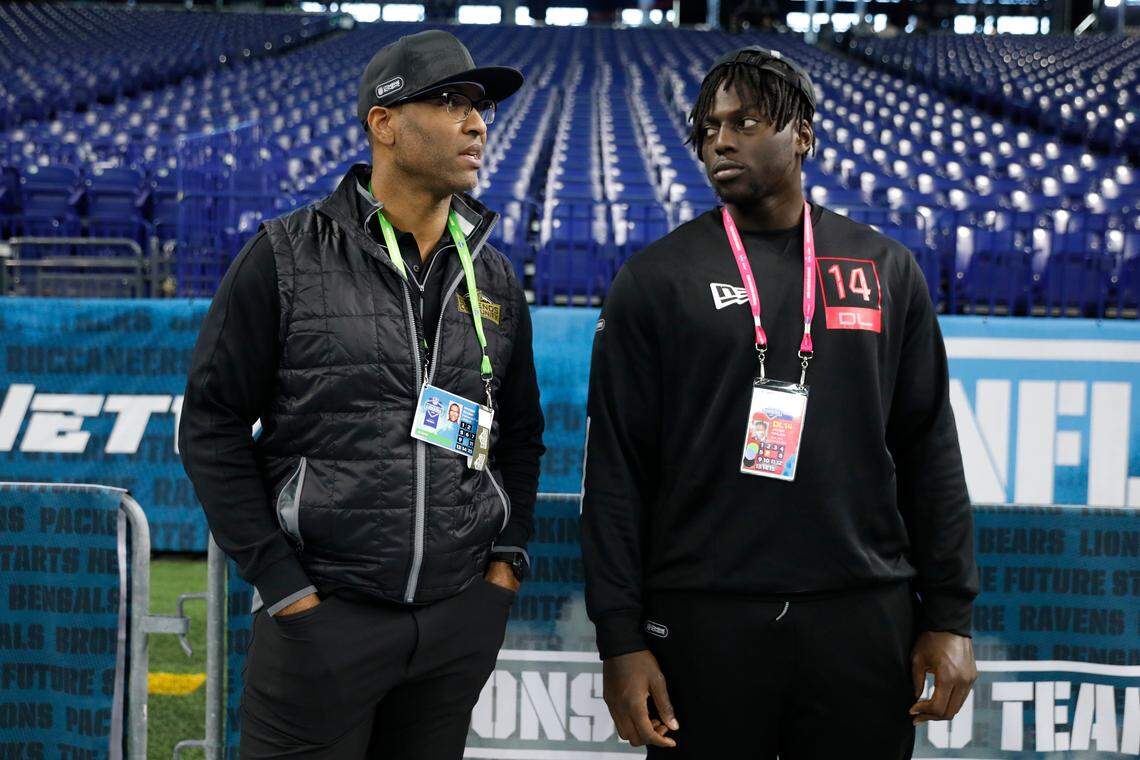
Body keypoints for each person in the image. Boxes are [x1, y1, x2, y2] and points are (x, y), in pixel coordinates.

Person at [580, 46, 977, 758]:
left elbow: (929, 452)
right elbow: (616, 473)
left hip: (862, 614)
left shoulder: (884, 268)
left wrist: (950, 617)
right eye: (707, 128)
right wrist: (619, 638)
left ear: (803, 134)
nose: (721, 140)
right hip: (704, 619)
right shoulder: (656, 280)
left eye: (747, 120)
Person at [179, 30, 545, 759]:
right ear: (384, 123)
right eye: (451, 102)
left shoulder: (496, 277)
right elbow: (211, 427)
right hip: (323, 619)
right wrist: (286, 588)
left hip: (453, 624)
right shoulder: (284, 255)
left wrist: (500, 570)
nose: (477, 123)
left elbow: (522, 434)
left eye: (480, 107)